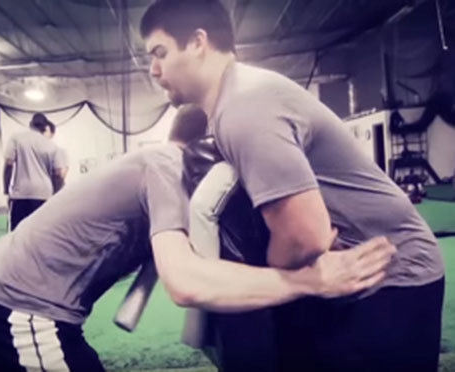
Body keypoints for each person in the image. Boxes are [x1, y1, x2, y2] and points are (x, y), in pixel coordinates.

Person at [0, 105, 394, 372]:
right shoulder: (166, 169)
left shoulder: (163, 174)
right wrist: (312, 280)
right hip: (19, 307)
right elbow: (186, 283)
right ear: (211, 148)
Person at [140, 1, 445, 370]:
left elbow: (306, 236)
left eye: (160, 53)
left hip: (385, 276)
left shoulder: (244, 107)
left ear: (198, 42)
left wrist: (263, 276)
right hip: (352, 275)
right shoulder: (231, 104)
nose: (153, 70)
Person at [3, 113, 67, 230]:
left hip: (21, 195)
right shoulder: (52, 145)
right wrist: (54, 195)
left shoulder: (17, 138)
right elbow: (58, 175)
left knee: (19, 236)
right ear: (45, 127)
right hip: (44, 196)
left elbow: (8, 164)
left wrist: (7, 190)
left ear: (30, 124)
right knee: (42, 235)